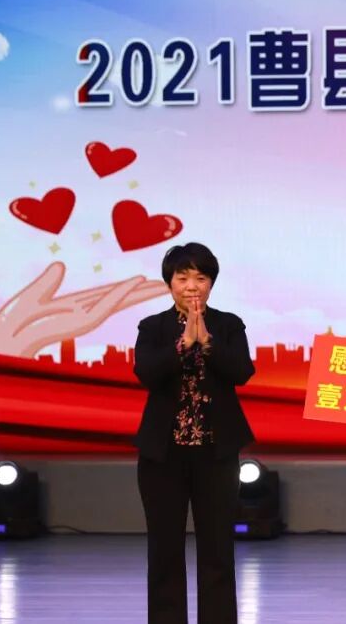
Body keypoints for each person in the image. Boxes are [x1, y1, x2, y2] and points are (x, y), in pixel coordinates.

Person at [133, 242, 255, 624]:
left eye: (200, 278)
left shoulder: (229, 324)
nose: (191, 286)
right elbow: (146, 373)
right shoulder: (152, 327)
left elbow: (242, 371)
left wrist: (207, 342)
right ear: (169, 283)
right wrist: (183, 343)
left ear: (211, 283)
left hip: (216, 454)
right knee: (164, 550)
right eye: (182, 277)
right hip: (162, 455)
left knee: (217, 550)